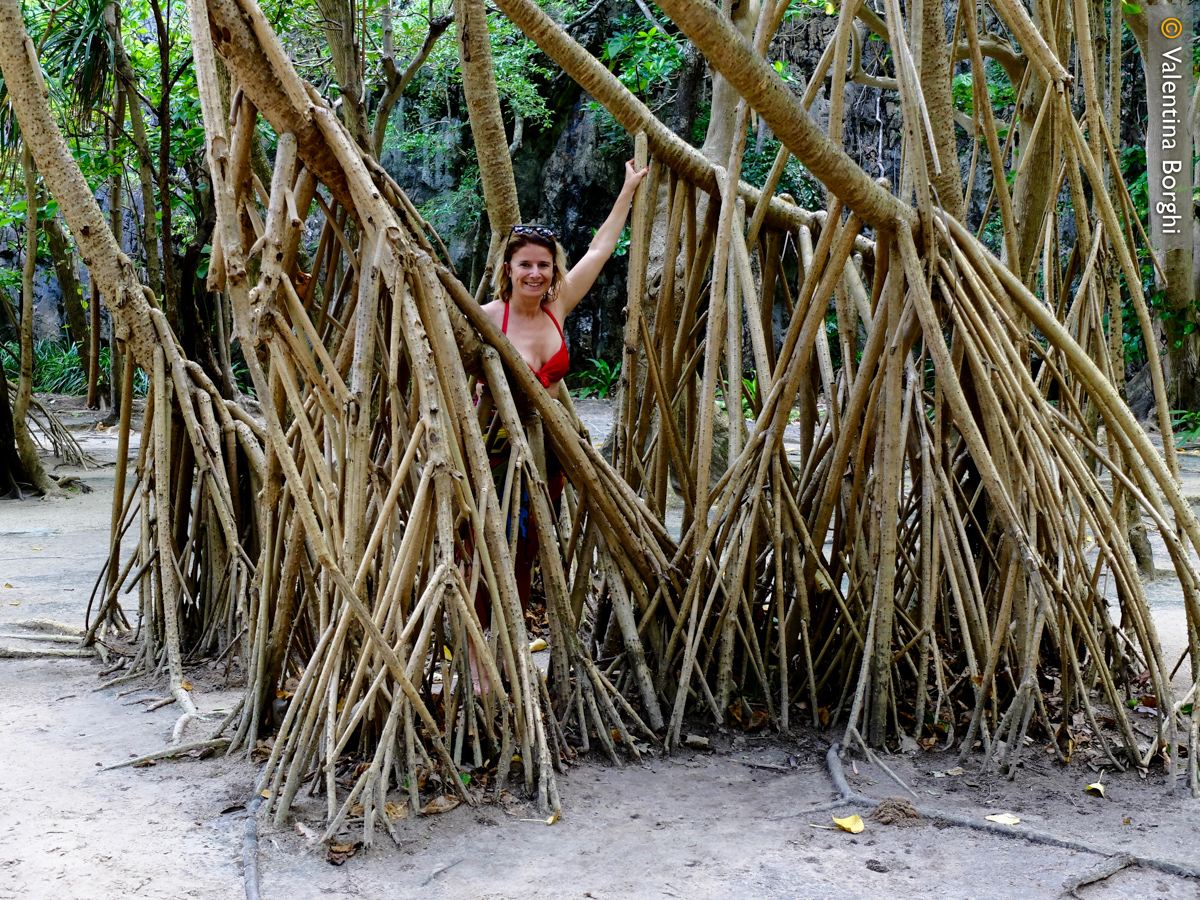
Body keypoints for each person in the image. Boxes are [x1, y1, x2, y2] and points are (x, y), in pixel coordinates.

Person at [475, 158, 649, 624]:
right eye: (525, 264)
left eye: (544, 265)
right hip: (491, 444)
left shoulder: (559, 306)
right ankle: (476, 650)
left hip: (544, 447)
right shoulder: (487, 316)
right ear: (508, 268)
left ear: (554, 271)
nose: (535, 273)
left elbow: (600, 249)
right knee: (483, 541)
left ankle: (507, 634)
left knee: (530, 542)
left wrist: (628, 188)